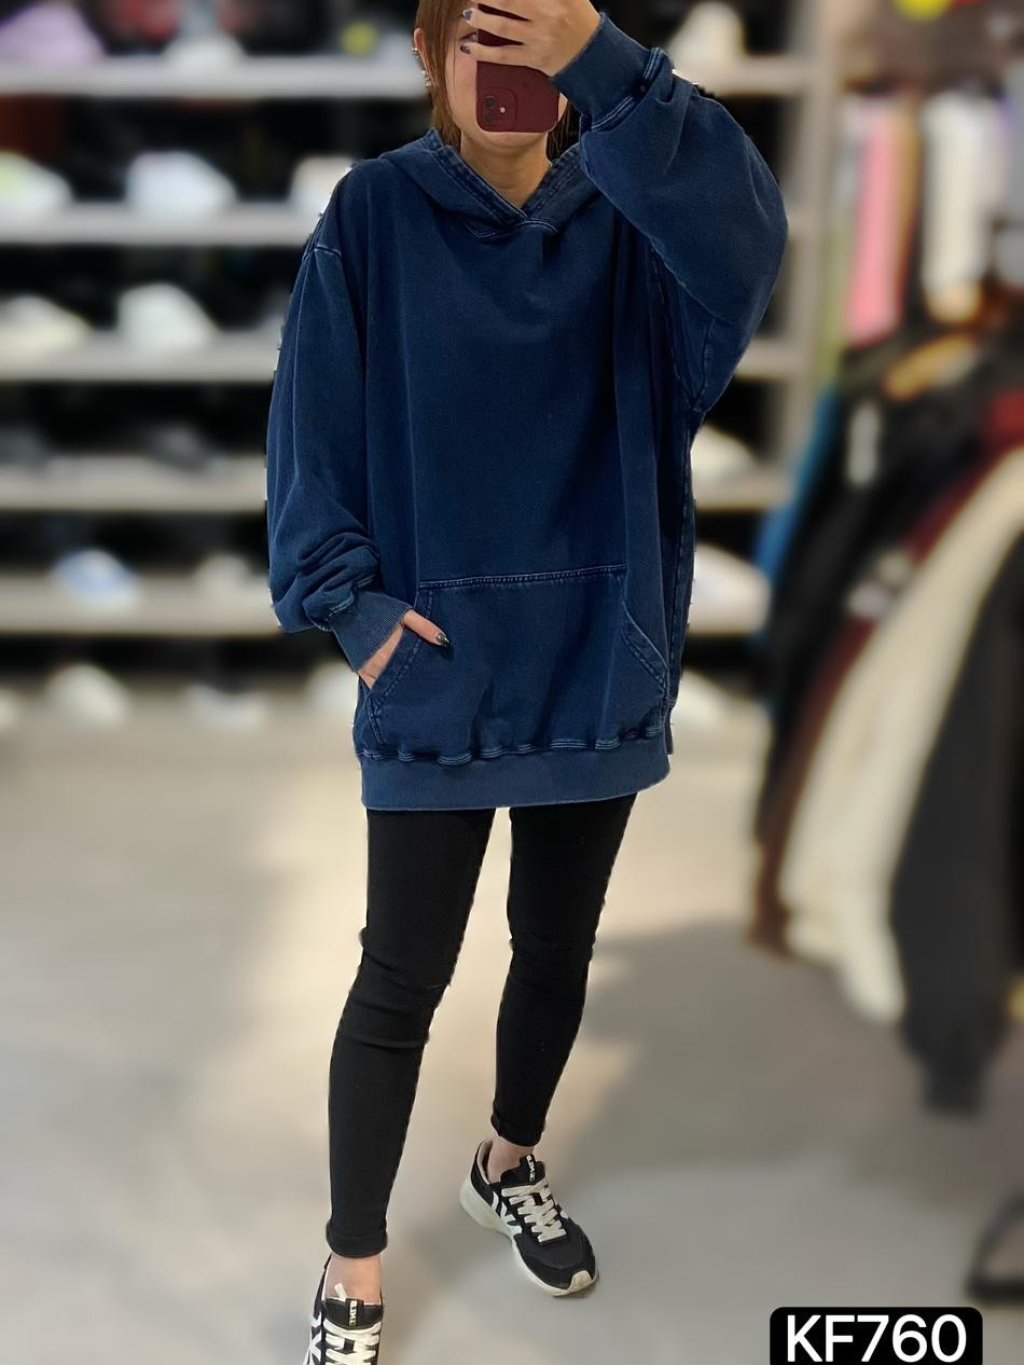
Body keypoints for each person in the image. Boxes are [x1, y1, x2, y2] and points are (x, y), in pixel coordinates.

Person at [265, 2, 788, 1359]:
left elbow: (747, 240)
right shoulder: (375, 213)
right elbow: (310, 424)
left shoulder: (636, 212)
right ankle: (353, 1257)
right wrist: (352, 607)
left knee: (557, 947)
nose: (505, 70)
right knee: (401, 974)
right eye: (476, 39)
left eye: (533, 36)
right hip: (435, 665)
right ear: (430, 56)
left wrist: (608, 64)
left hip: (595, 655)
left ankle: (507, 1162)